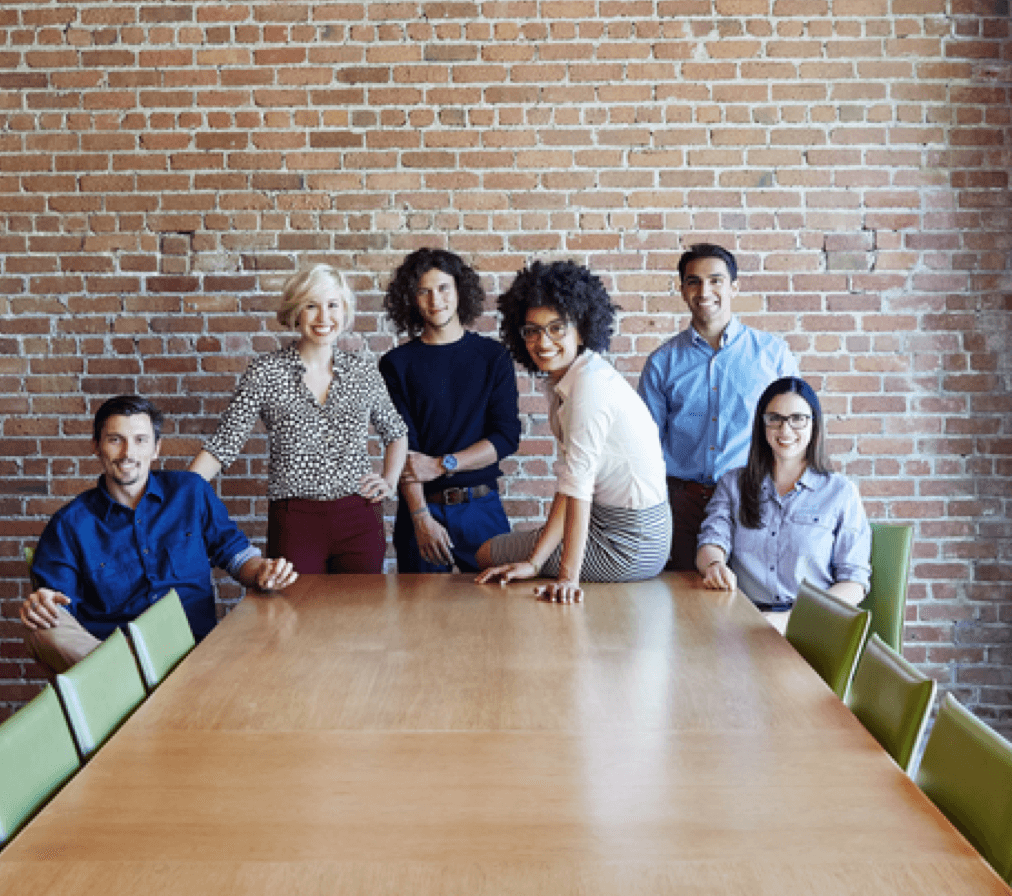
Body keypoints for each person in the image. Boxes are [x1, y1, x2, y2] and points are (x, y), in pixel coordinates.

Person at [20, 395, 298, 673]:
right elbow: (58, 606)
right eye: (115, 439)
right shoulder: (69, 524)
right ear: (97, 446)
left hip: (195, 649)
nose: (128, 452)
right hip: (112, 655)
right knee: (44, 630)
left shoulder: (191, 492)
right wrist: (43, 605)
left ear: (156, 448)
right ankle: (131, 674)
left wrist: (263, 571)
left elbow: (236, 555)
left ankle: (134, 680)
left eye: (140, 440)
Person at [189, 265, 408, 574]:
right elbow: (224, 444)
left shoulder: (364, 370)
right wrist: (180, 496)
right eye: (311, 305)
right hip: (295, 520)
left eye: (332, 305)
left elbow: (396, 432)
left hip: (360, 516)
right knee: (294, 615)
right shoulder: (265, 372)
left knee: (361, 616)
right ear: (295, 311)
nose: (323, 317)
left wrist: (389, 480)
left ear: (344, 311)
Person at [476, 260, 671, 603]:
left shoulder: (589, 388)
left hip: (630, 542)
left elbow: (579, 487)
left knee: (488, 552)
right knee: (513, 552)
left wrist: (568, 578)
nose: (542, 341)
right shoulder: (573, 378)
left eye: (556, 328)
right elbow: (570, 487)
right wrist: (535, 562)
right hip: (618, 526)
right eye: (532, 330)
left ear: (581, 329)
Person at [638, 243, 799, 571]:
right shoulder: (662, 363)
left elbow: (796, 431)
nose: (704, 290)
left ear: (734, 287)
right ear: (682, 290)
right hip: (681, 504)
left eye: (715, 280)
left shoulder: (772, 356)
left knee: (750, 597)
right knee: (683, 601)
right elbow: (644, 447)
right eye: (693, 282)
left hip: (752, 498)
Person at [379, 248, 521, 573]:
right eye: (423, 291)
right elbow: (404, 448)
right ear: (411, 299)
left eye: (443, 288)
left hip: (481, 508)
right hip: (422, 511)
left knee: (496, 615)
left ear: (459, 291)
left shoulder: (492, 357)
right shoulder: (397, 364)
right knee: (421, 618)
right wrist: (420, 518)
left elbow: (506, 437)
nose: (435, 300)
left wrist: (443, 465)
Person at [696, 376, 871, 632]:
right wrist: (714, 565)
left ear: (814, 424)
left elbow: (854, 584)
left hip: (812, 626)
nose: (785, 430)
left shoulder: (841, 492)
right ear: (762, 424)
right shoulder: (733, 484)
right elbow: (711, 541)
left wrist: (792, 619)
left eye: (798, 419)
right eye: (774, 418)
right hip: (742, 620)